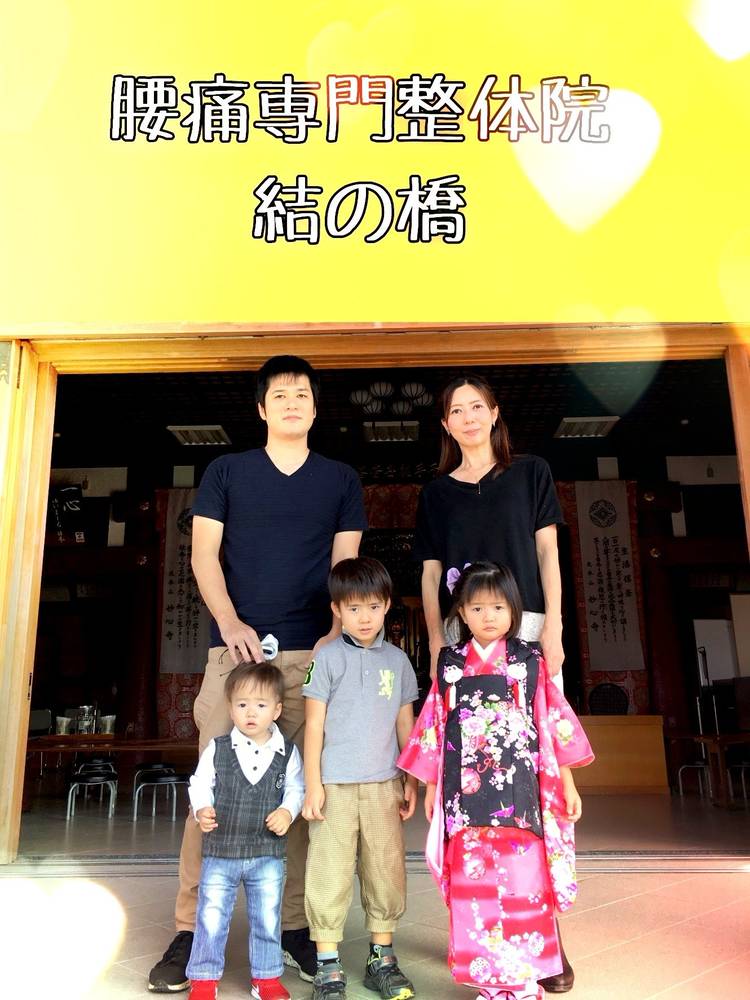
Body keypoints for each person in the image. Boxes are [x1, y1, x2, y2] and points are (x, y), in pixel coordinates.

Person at [149, 356, 367, 993]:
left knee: (298, 797)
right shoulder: (227, 471)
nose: (292, 403)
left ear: (315, 408)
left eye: (302, 394)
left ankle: (293, 928)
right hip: (235, 657)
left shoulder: (340, 479)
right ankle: (190, 930)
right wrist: (229, 622)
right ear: (261, 408)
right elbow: (204, 554)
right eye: (280, 394)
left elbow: (345, 565)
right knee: (210, 792)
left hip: (309, 658)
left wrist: (334, 632)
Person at [414, 374, 573, 994]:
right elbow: (431, 575)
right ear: (445, 424)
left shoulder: (530, 473)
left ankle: (547, 936)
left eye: (477, 406)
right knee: (472, 787)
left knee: (538, 777)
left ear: (495, 412)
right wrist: (436, 638)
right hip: (464, 638)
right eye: (457, 410)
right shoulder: (436, 493)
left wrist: (553, 624)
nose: (469, 417)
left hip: (527, 628)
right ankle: (477, 930)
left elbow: (548, 554)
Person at [398, 562, 594, 1000]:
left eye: (498, 607)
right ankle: (489, 980)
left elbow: (549, 722)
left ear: (514, 611)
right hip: (464, 793)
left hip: (520, 790)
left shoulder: (528, 661)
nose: (488, 616)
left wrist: (567, 781)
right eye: (477, 608)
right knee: (475, 885)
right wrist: (431, 787)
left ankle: (523, 980)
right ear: (461, 614)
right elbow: (436, 725)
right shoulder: (451, 663)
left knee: (524, 882)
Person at [301, 557, 419, 1000]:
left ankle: (381, 960)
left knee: (385, 869)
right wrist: (313, 784)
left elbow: (406, 725)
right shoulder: (326, 658)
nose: (364, 617)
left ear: (387, 605)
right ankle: (327, 965)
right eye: (353, 608)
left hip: (384, 784)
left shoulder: (399, 661)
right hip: (333, 786)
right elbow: (314, 726)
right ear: (337, 610)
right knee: (328, 871)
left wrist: (411, 779)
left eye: (372, 606)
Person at [186, 662, 304, 1000]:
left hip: (267, 854)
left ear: (277, 710)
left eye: (261, 705)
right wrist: (202, 808)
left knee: (267, 915)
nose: (251, 712)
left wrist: (287, 811)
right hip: (221, 851)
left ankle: (266, 977)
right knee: (211, 915)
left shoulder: (287, 753)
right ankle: (204, 979)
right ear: (230, 708)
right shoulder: (219, 748)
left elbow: (297, 789)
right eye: (242, 704)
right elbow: (200, 782)